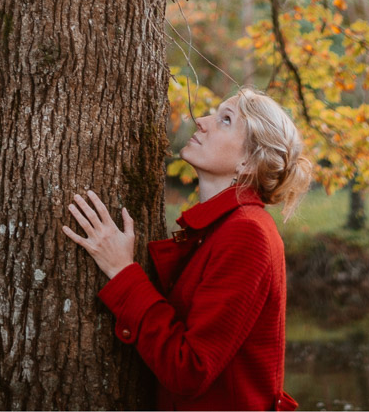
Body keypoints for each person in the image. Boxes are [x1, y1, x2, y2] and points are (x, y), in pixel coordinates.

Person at [63, 88, 312, 411]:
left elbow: (191, 369)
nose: (201, 121)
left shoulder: (247, 233)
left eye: (225, 120)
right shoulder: (223, 228)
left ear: (248, 161)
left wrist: (122, 272)